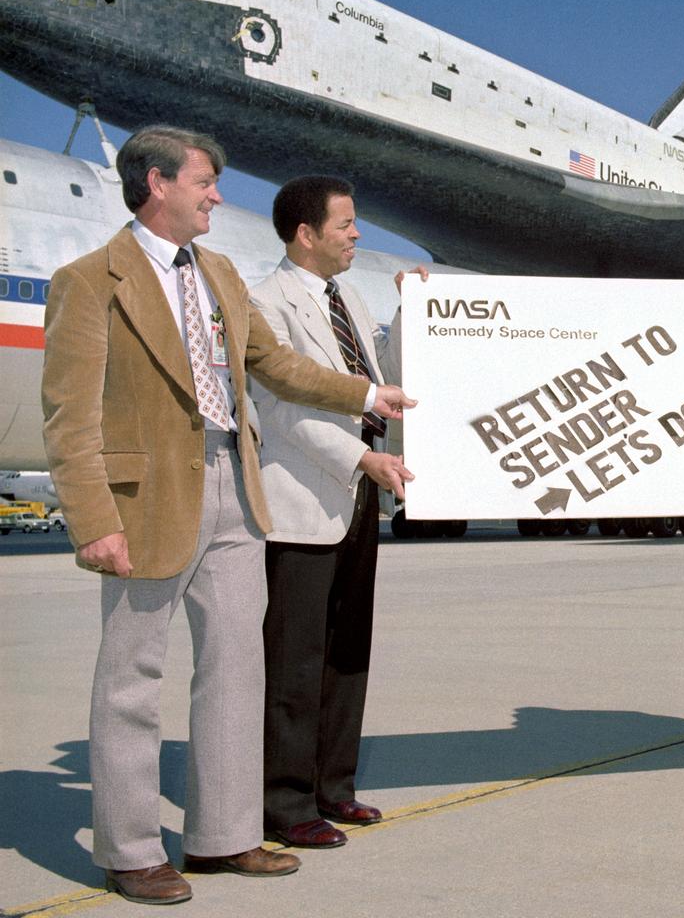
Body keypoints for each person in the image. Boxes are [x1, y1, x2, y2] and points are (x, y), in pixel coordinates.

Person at [41, 127, 415, 905]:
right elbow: (68, 417)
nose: (217, 196)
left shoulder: (217, 274)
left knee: (237, 671)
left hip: (235, 487)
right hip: (147, 501)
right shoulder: (90, 281)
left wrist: (364, 395)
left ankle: (225, 836)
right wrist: (92, 519)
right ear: (157, 183)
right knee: (132, 680)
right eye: (206, 182)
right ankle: (132, 847)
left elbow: (272, 364)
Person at [250, 177, 423, 848]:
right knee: (296, 659)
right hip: (303, 502)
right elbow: (282, 411)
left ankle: (334, 787)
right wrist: (361, 461)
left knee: (348, 651)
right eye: (345, 224)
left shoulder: (348, 296)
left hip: (358, 498)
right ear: (306, 233)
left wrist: (413, 313)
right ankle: (286, 805)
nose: (357, 235)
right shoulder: (266, 302)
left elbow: (380, 389)